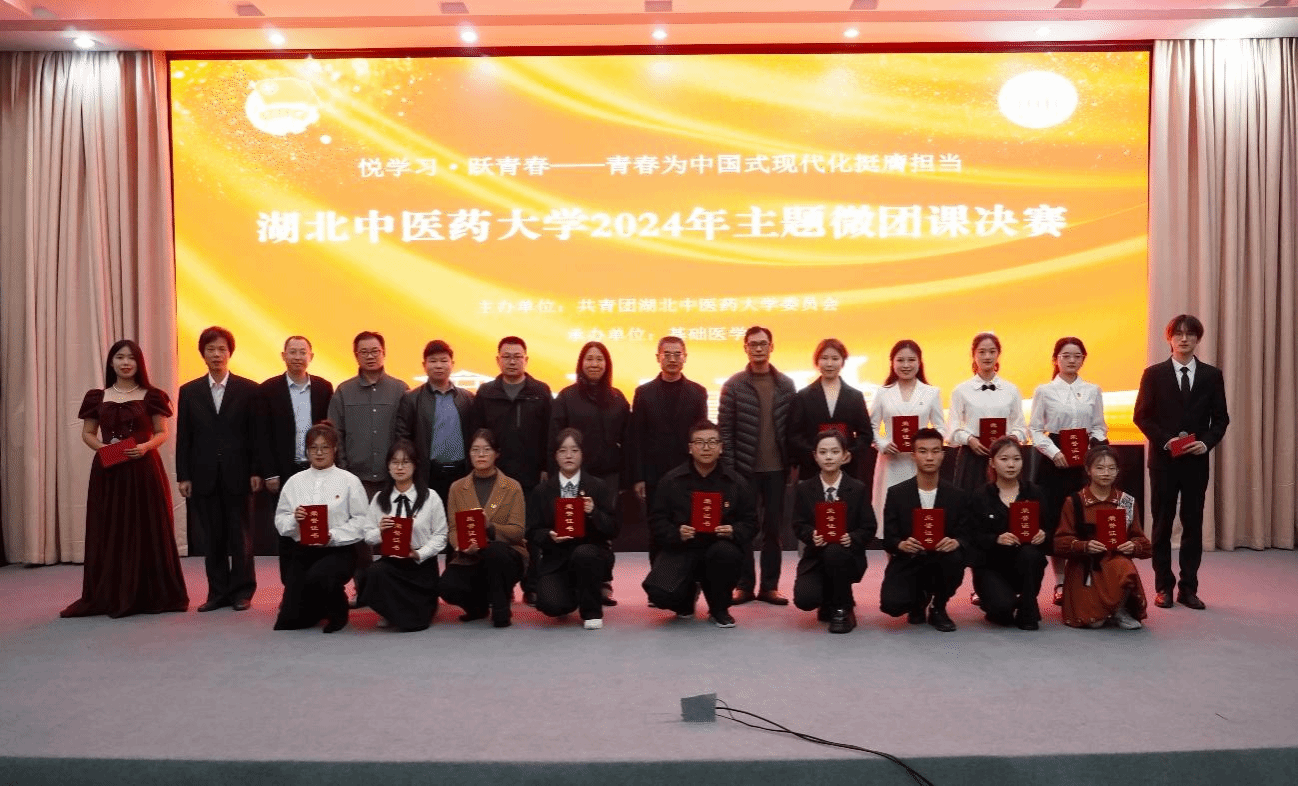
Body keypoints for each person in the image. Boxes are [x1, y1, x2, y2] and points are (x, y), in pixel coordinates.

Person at [61, 340, 188, 618]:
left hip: (144, 469)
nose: (126, 362)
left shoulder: (152, 396)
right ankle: (111, 593)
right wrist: (104, 449)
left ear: (139, 362)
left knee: (146, 528)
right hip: (108, 471)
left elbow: (162, 432)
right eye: (120, 357)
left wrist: (144, 447)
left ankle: (148, 593)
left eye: (131, 357)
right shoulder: (97, 396)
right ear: (111, 362)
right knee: (111, 528)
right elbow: (88, 433)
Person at [1134, 314, 1230, 611]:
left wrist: (1206, 442)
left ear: (1198, 339)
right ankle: (1163, 587)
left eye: (1190, 334)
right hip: (1163, 462)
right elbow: (1141, 416)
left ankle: (1189, 588)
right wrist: (1166, 441)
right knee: (1162, 524)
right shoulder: (1153, 374)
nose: (1184, 339)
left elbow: (1221, 419)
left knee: (1193, 524)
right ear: (1169, 338)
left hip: (1195, 463)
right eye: (1178, 334)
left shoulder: (1211, 375)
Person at [176, 326, 264, 612]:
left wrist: (256, 470)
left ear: (230, 353)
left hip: (239, 474)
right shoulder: (189, 391)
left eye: (222, 349)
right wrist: (183, 475)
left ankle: (242, 592)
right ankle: (217, 593)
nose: (216, 354)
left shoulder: (249, 389)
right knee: (212, 538)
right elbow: (184, 436)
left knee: (241, 537)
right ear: (202, 354)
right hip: (204, 475)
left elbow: (255, 435)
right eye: (211, 349)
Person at [643, 420, 756, 628]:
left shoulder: (736, 482)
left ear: (721, 447)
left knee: (726, 553)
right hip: (683, 548)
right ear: (690, 447)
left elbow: (751, 523)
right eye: (700, 442)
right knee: (660, 594)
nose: (706, 448)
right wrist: (676, 533)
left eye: (712, 442)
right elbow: (656, 521)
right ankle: (685, 599)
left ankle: (719, 608)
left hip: (719, 549)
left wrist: (733, 531)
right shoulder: (671, 481)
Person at [327, 331, 409, 605]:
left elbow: (405, 434)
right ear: (356, 355)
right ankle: (363, 590)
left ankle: (393, 590)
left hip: (392, 478)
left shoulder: (399, 389)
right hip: (357, 479)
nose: (370, 356)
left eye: (375, 351)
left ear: (384, 353)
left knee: (393, 534)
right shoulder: (344, 391)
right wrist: (343, 471)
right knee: (360, 539)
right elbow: (335, 434)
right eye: (364, 352)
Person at [718, 326, 796, 606]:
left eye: (763, 343)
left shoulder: (786, 385)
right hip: (743, 471)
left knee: (773, 530)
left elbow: (792, 428)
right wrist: (729, 468)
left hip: (777, 470)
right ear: (745, 348)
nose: (758, 348)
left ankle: (770, 586)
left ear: (771, 347)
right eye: (753, 344)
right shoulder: (734, 385)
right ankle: (744, 585)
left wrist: (792, 463)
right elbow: (724, 430)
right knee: (744, 529)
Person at [547, 341, 628, 607]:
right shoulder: (567, 397)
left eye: (599, 359)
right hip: (574, 474)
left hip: (608, 476)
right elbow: (554, 438)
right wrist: (553, 474)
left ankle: (603, 583)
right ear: (581, 364)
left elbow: (629, 439)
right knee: (572, 525)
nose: (594, 364)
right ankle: (572, 579)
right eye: (589, 359)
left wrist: (627, 475)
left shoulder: (617, 398)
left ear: (607, 364)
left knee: (603, 528)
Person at [472, 336, 552, 604]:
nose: (512, 361)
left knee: (531, 532)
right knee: (497, 532)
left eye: (517, 356)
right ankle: (501, 587)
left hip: (532, 474)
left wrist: (546, 467)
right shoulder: (486, 393)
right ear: (498, 360)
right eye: (506, 356)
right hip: (495, 476)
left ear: (526, 360)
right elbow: (477, 435)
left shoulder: (540, 392)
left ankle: (532, 585)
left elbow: (549, 435)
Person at [1028, 336, 1107, 607]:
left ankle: (1083, 580)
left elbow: (1099, 426)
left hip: (1084, 462)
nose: (1072, 360)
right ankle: (1061, 582)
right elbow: (1035, 429)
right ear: (1056, 359)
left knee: (1084, 520)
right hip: (1055, 461)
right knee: (1056, 521)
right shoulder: (1044, 390)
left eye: (1077, 356)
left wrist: (1093, 450)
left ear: (1083, 359)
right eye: (1066, 356)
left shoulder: (1093, 390)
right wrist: (1054, 452)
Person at [273, 421, 369, 633]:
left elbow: (362, 521)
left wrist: (332, 535)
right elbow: (280, 520)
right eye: (313, 448)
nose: (319, 453)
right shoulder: (294, 482)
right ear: (307, 451)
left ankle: (339, 611)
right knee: (288, 621)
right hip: (303, 550)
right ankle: (319, 607)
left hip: (338, 550)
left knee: (321, 576)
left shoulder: (349, 481)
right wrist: (294, 520)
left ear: (334, 449)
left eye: (325, 447)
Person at [257, 336, 333, 588]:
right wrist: (269, 473)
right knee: (288, 532)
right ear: (283, 356)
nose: (298, 357)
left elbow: (330, 431)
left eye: (302, 352)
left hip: (317, 469)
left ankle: (316, 587)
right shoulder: (268, 390)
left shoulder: (323, 388)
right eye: (293, 352)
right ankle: (291, 590)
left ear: (311, 356)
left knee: (317, 528)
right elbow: (262, 435)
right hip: (284, 471)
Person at [879, 428, 972, 632]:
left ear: (943, 455)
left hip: (942, 559)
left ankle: (938, 606)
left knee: (956, 556)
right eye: (923, 451)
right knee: (892, 605)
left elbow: (966, 534)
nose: (929, 457)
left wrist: (956, 542)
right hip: (910, 559)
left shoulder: (957, 495)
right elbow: (889, 539)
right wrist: (901, 544)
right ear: (913, 455)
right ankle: (918, 600)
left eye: (935, 451)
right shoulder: (897, 493)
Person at [526, 429, 620, 630]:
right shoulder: (542, 491)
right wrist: (549, 536)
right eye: (563, 451)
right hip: (556, 559)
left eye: (574, 450)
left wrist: (594, 512)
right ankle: (575, 592)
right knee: (552, 605)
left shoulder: (598, 486)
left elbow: (613, 529)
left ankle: (592, 612)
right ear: (555, 456)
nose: (568, 455)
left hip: (591, 555)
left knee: (584, 554)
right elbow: (531, 531)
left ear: (582, 454)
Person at [628, 336, 708, 570]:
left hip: (688, 472)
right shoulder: (644, 393)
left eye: (677, 354)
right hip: (654, 474)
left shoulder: (698, 392)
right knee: (658, 527)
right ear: (658, 358)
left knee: (689, 526)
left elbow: (702, 435)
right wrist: (638, 477)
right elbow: (636, 438)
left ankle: (689, 580)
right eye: (667, 354)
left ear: (685, 357)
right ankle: (659, 579)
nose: (672, 359)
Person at [1054, 446, 1152, 629]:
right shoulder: (1074, 502)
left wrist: (1133, 546)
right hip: (1085, 566)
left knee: (1125, 567)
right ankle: (1106, 609)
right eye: (1099, 468)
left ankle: (1120, 609)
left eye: (1111, 468)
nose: (1106, 473)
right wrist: (1083, 546)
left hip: (1115, 561)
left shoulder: (1126, 501)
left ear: (1118, 471)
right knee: (1094, 622)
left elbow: (1144, 543)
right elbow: (1059, 543)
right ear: (1088, 470)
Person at [790, 430, 876, 634]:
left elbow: (869, 527)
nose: (828, 457)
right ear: (815, 456)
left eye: (835, 452)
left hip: (847, 556)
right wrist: (811, 535)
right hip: (816, 557)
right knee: (805, 600)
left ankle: (843, 608)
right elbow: (798, 524)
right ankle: (828, 598)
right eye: (823, 452)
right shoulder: (805, 488)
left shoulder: (857, 488)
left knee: (835, 551)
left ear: (845, 456)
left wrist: (852, 538)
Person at [440, 429, 527, 628]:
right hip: (471, 555)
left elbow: (518, 532)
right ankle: (477, 607)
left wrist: (490, 527)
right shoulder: (457, 488)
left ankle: (501, 609)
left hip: (506, 556)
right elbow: (453, 529)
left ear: (497, 454)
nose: (481, 455)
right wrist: (462, 546)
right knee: (446, 586)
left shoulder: (512, 487)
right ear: (469, 454)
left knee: (494, 552)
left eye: (487, 450)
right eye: (475, 450)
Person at [360, 439, 448, 632]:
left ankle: (409, 609)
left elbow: (441, 535)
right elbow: (367, 536)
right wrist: (381, 532)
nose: (400, 467)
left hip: (420, 566)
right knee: (375, 572)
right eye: (395, 462)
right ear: (388, 466)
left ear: (415, 465)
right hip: (392, 563)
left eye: (405, 462)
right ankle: (388, 610)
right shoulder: (379, 499)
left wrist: (419, 553)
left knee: (417, 622)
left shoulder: (430, 497)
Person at [970, 437, 1048, 630]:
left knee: (1031, 554)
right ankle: (997, 601)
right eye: (1004, 459)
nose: (1011, 465)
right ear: (992, 462)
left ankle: (1028, 607)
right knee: (1002, 611)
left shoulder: (1034, 493)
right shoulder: (980, 496)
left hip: (1025, 564)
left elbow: (1051, 528)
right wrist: (996, 539)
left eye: (1016, 459)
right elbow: (972, 536)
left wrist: (1043, 534)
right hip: (991, 566)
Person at [869, 340, 946, 530]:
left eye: (911, 360)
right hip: (891, 462)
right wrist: (883, 443)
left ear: (919, 362)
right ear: (892, 363)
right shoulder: (882, 393)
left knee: (920, 514)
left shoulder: (931, 392)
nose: (906, 365)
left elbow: (941, 427)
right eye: (900, 360)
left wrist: (928, 447)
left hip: (921, 463)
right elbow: (871, 426)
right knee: (889, 516)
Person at [394, 339, 474, 509]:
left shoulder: (467, 398)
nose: (439, 366)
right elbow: (403, 438)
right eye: (433, 361)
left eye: (444, 361)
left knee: (459, 518)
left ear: (452, 364)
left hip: (462, 472)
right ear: (424, 365)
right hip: (428, 473)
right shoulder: (411, 399)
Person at [947, 333, 1028, 493]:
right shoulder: (961, 390)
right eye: (982, 352)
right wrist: (969, 440)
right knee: (970, 502)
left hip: (1005, 457)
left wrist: (1011, 439)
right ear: (973, 355)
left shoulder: (1011, 389)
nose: (987, 356)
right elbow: (951, 429)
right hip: (972, 456)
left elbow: (1021, 428)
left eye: (992, 351)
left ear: (998, 354)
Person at [788, 338, 870, 482]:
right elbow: (794, 434)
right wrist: (816, 455)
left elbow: (866, 434)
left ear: (842, 362)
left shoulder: (855, 396)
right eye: (824, 358)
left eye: (835, 358)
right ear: (817, 362)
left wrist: (849, 453)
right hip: (812, 471)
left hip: (847, 471)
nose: (829, 363)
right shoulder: (803, 396)